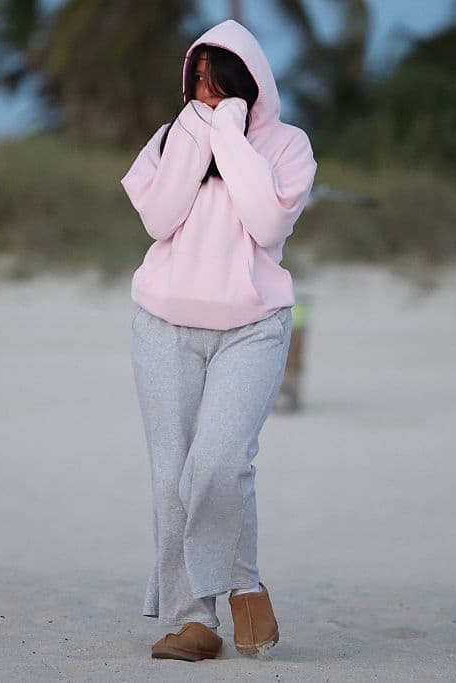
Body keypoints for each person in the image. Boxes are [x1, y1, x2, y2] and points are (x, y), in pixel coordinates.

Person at [120, 20, 316, 662]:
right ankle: (192, 621)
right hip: (163, 323)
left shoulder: (287, 146)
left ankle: (243, 586)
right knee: (170, 475)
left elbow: (265, 223)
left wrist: (230, 134)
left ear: (248, 84)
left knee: (220, 461)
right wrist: (193, 137)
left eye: (218, 82)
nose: (205, 94)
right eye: (196, 80)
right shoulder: (172, 136)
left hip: (253, 327)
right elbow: (158, 216)